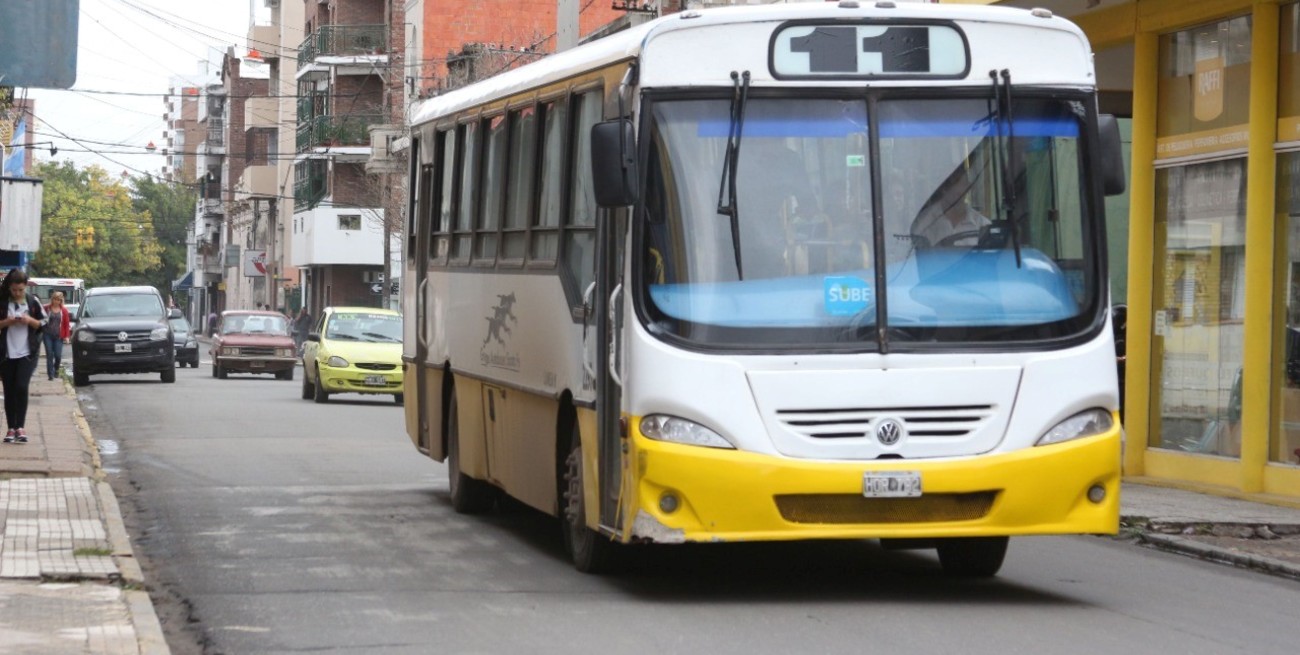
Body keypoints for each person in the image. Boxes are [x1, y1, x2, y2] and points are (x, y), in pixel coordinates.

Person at [0, 269, 48, 444]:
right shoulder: (3, 302)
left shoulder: (32, 301)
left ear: (25, 287)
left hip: (28, 353)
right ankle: (11, 428)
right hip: (5, 353)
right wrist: (8, 322)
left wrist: (29, 321)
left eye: (20, 290)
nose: (17, 293)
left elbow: (45, 323)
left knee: (21, 386)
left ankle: (20, 426)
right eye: (14, 290)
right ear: (10, 288)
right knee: (9, 390)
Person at [912, 165, 992, 248]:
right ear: (942, 188)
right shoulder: (923, 224)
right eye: (952, 184)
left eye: (962, 184)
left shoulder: (982, 224)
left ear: (968, 188)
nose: (957, 190)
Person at [42, 291, 72, 381]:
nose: (56, 301)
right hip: (47, 335)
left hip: (59, 336)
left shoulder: (64, 310)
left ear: (61, 301)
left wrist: (67, 336)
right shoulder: (46, 308)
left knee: (58, 355)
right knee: (49, 354)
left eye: (58, 300)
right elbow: (40, 318)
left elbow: (66, 324)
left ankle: (56, 370)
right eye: (55, 299)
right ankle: (50, 374)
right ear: (52, 299)